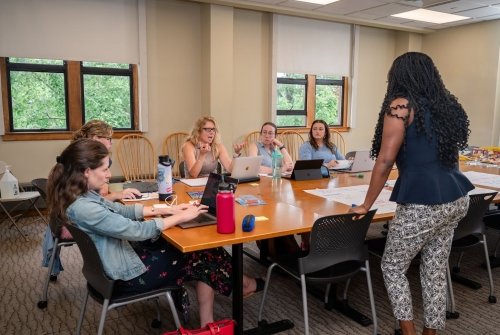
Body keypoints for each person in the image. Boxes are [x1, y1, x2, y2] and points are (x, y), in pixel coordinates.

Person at [47, 139, 263, 326]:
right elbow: (137, 231)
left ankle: (214, 313)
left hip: (111, 266)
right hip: (125, 277)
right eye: (104, 169)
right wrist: (178, 218)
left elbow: (121, 210)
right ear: (86, 172)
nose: (109, 174)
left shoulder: (80, 198)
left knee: (201, 252)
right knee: (201, 254)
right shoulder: (85, 207)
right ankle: (241, 287)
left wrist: (169, 209)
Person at [350, 52, 473, 335]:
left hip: (423, 203)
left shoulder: (400, 106)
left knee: (392, 266)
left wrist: (366, 204)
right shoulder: (446, 106)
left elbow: (384, 160)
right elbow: (449, 155)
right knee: (433, 269)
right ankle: (431, 331)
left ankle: (408, 331)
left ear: (399, 76)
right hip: (455, 198)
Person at [42, 120, 141, 280]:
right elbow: (97, 200)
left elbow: (97, 195)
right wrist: (117, 195)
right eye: (109, 139)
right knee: (129, 225)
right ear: (96, 138)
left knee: (126, 217)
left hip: (62, 217)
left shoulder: (74, 154)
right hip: (76, 222)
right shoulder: (87, 161)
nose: (111, 143)